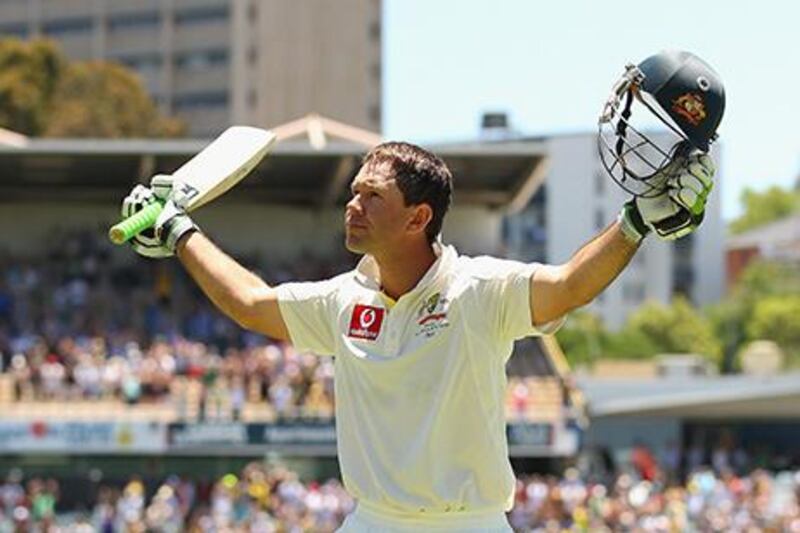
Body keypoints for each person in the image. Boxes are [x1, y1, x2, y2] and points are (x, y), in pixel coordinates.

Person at [120, 50, 720, 533]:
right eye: (354, 192)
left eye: (371, 197)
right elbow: (250, 304)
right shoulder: (342, 301)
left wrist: (634, 225)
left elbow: (568, 286)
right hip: (372, 522)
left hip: (471, 525)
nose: (352, 207)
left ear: (417, 218)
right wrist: (179, 230)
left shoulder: (480, 290)